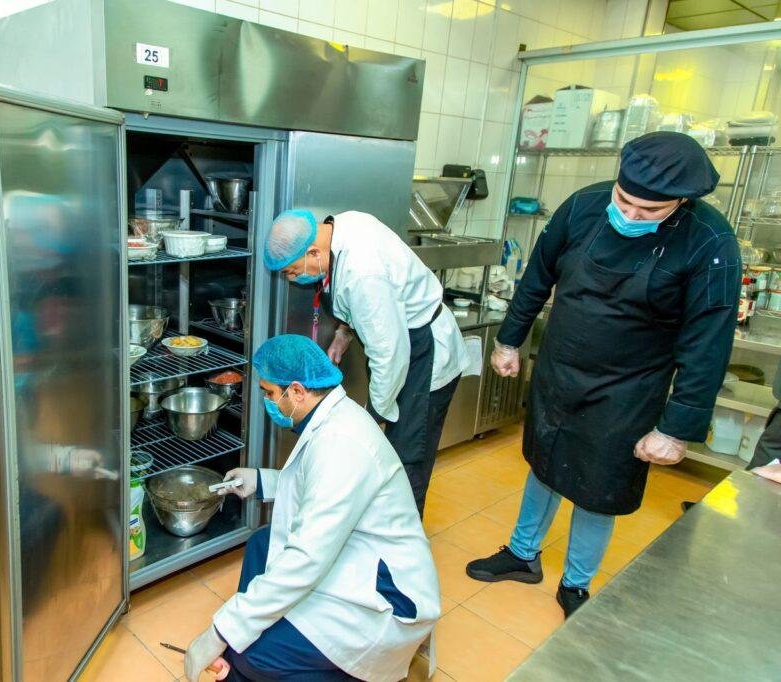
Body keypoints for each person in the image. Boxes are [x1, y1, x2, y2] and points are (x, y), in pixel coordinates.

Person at [465, 131, 741, 618]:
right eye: (624, 200)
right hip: (560, 367)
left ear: (682, 201)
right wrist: (510, 339)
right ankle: (522, 555)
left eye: (648, 210)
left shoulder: (710, 242)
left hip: (629, 388)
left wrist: (676, 428)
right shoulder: (584, 205)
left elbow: (708, 344)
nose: (630, 215)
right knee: (543, 462)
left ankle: (576, 584)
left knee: (600, 486)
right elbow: (537, 277)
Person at [184, 335, 440, 682]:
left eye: (270, 393)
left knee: (252, 657)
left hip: (387, 599)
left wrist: (221, 632)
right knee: (262, 544)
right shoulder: (332, 416)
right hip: (356, 553)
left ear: (297, 391)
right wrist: (261, 481)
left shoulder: (342, 443)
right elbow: (319, 487)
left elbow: (306, 559)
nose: (267, 401)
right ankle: (253, 635)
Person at [262, 210, 471, 514]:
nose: (293, 279)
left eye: (292, 271)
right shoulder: (340, 227)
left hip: (424, 353)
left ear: (314, 252)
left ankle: (399, 538)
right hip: (401, 347)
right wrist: (343, 333)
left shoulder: (363, 273)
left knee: (406, 458)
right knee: (384, 454)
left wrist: (371, 417)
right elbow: (365, 304)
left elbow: (390, 353)